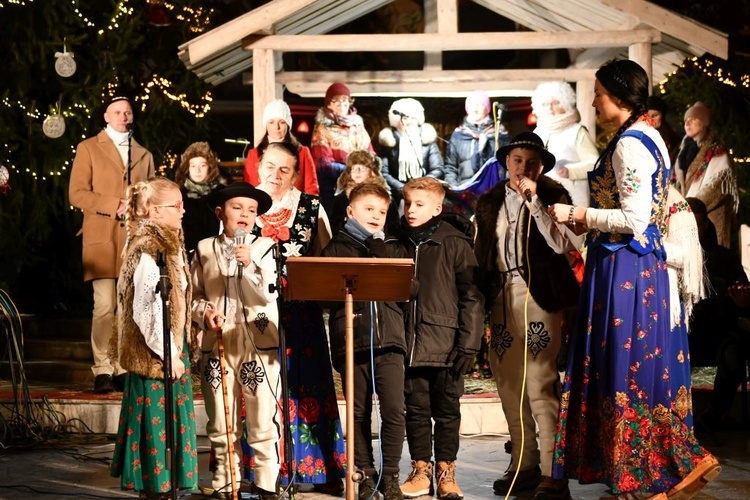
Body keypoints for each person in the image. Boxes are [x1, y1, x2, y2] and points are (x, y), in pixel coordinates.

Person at [548, 59, 720, 499]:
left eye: (600, 94)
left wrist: (580, 214)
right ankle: (649, 473)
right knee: (635, 365)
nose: (593, 101)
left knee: (628, 369)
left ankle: (649, 473)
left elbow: (637, 219)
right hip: (633, 265)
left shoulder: (630, 143)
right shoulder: (650, 136)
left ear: (620, 98)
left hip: (627, 267)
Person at [474, 132, 580, 500]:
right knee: (508, 384)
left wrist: (534, 201)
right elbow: (482, 250)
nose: (523, 168)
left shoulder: (553, 196)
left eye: (532, 162)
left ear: (541, 167)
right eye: (518, 160)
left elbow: (564, 243)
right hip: (500, 296)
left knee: (540, 381)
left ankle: (554, 469)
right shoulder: (487, 203)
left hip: (539, 295)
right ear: (507, 162)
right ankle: (524, 463)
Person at [248, 141, 346, 495]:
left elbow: (326, 260)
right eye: (270, 166)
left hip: (300, 316)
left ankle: (318, 468)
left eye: (284, 169)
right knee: (262, 390)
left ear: (295, 174)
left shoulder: (310, 207)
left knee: (308, 386)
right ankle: (263, 473)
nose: (275, 175)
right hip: (256, 317)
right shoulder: (243, 205)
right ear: (259, 166)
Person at [109, 178, 198, 499]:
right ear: (155, 211)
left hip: (172, 349)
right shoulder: (149, 249)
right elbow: (146, 310)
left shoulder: (170, 245)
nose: (183, 211)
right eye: (177, 206)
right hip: (155, 354)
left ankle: (168, 485)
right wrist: (169, 353)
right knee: (155, 426)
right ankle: (155, 488)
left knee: (172, 422)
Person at [190, 182, 280, 500]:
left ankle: (267, 480)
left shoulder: (266, 248)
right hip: (219, 341)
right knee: (221, 415)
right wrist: (205, 313)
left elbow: (269, 294)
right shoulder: (203, 249)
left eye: (251, 210)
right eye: (236, 207)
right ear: (220, 212)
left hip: (258, 342)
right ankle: (226, 480)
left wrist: (248, 264)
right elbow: (195, 297)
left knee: (261, 413)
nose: (244, 214)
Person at [398, 177, 484, 500]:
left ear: (437, 208)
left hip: (447, 346)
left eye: (419, 205)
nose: (411, 210)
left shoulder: (454, 244)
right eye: (408, 203)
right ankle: (422, 470)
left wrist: (469, 342)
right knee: (416, 410)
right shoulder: (399, 241)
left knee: (447, 413)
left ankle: (447, 472)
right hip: (410, 345)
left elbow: (472, 296)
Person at [321, 183, 407, 500]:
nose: (376, 216)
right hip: (352, 342)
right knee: (358, 413)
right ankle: (365, 475)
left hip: (390, 341)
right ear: (350, 211)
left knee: (395, 411)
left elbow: (409, 289)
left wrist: (381, 252)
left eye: (382, 212)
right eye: (369, 209)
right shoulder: (336, 248)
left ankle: (391, 477)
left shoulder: (392, 246)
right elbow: (325, 296)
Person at [69, 93, 155, 394]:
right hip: (102, 237)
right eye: (117, 112)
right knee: (104, 304)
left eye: (127, 112)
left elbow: (152, 195)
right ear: (106, 116)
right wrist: (113, 203)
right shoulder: (88, 148)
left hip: (133, 239)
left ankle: (121, 366)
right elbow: (77, 194)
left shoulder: (143, 154)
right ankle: (102, 367)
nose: (123, 116)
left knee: (128, 306)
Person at [686, 197, 750, 428]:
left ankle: (714, 414)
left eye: (698, 226)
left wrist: (742, 302)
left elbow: (742, 296)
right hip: (683, 331)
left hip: (719, 330)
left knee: (732, 354)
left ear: (705, 225)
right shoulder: (668, 255)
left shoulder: (724, 257)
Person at [673, 101, 738, 248]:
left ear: (704, 123)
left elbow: (717, 187)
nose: (687, 123)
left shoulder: (717, 152)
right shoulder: (685, 151)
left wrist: (688, 207)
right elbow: (679, 182)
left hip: (709, 220)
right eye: (685, 120)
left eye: (693, 119)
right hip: (688, 219)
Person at [531, 81, 599, 208]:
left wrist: (570, 171)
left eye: (556, 103)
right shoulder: (539, 131)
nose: (550, 108)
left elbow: (595, 164)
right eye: (545, 104)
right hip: (542, 200)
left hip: (572, 202)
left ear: (566, 102)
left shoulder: (577, 131)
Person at [311, 83, 374, 214]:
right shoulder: (323, 128)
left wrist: (367, 171)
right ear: (329, 104)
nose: (342, 104)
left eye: (345, 100)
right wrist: (351, 171)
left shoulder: (358, 126)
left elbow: (370, 153)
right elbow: (323, 163)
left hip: (362, 183)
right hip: (335, 185)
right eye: (336, 101)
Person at [244, 99, 319, 196]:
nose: (276, 127)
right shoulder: (254, 154)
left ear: (288, 125)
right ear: (266, 125)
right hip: (262, 209)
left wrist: (306, 209)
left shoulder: (302, 152)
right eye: (271, 122)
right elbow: (248, 190)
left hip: (295, 208)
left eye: (282, 122)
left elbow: (311, 189)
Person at [379, 98, 445, 208]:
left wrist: (420, 185)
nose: (409, 121)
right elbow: (383, 172)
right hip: (396, 194)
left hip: (424, 192)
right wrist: (403, 188)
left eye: (413, 117)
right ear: (396, 119)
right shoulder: (389, 141)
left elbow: (438, 169)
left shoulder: (427, 140)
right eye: (405, 117)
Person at [443, 90, 509, 186]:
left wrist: (502, 189)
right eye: (472, 105)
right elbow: (450, 167)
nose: (475, 109)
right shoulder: (458, 135)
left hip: (493, 190)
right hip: (465, 190)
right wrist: (454, 188)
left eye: (479, 105)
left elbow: (508, 165)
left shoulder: (499, 133)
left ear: (487, 109)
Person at [329, 149, 399, 237]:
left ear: (372, 171)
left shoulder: (384, 198)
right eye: (354, 168)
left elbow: (394, 229)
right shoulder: (341, 199)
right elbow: (334, 227)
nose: (357, 172)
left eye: (362, 168)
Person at [175, 141, 224, 257]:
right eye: (193, 166)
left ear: (210, 167)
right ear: (187, 168)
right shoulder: (179, 194)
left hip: (215, 254)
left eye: (202, 165)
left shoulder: (221, 194)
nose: (197, 170)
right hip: (185, 254)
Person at [646, 96, 681, 164]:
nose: (651, 120)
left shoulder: (672, 138)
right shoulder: (643, 135)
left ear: (662, 115)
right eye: (648, 116)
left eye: (655, 115)